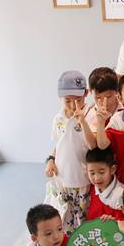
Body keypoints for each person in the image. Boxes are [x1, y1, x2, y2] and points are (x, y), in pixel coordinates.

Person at [45, 70, 94, 233]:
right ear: (60, 97)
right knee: (64, 217)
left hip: (83, 179)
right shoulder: (58, 118)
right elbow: (59, 144)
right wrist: (51, 160)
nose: (73, 106)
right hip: (62, 178)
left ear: (86, 93)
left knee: (84, 220)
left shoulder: (90, 114)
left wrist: (82, 121)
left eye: (78, 100)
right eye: (67, 101)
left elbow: (93, 145)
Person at [85, 147, 124, 221]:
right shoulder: (91, 187)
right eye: (92, 173)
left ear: (112, 169)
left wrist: (114, 220)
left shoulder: (121, 195)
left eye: (101, 172)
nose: (97, 178)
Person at [85, 67, 123, 134]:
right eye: (98, 98)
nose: (103, 102)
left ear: (117, 91)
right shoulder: (89, 114)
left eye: (108, 97)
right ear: (91, 92)